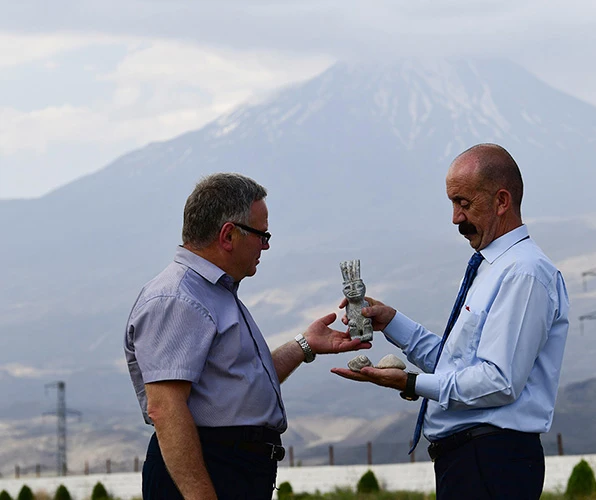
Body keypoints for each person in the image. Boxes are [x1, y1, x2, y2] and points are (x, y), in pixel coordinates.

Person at [332, 143, 569, 499]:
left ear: (502, 201)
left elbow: (498, 381)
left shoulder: (524, 273)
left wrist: (411, 384)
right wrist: (391, 322)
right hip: (470, 460)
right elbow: (457, 365)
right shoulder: (492, 268)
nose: (456, 218)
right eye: (453, 204)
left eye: (464, 203)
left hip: (492, 461)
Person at [124, 173, 369, 500]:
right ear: (228, 235)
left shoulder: (212, 294)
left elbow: (236, 386)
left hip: (234, 469)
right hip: (211, 469)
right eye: (262, 234)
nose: (266, 245)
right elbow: (166, 408)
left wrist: (304, 345)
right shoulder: (178, 299)